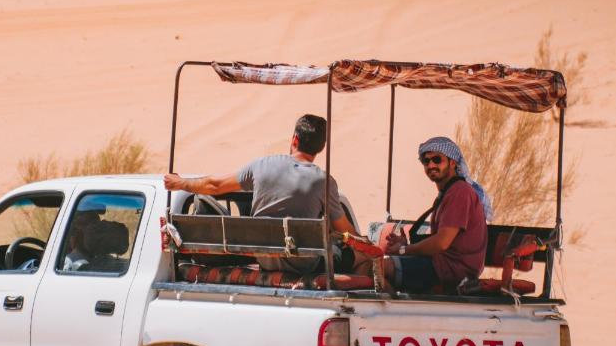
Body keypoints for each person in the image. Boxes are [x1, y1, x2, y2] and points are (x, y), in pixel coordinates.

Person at [164, 114, 358, 274]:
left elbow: (214, 185)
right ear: (320, 148)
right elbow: (345, 231)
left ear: (294, 140)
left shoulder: (261, 166)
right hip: (306, 267)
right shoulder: (324, 181)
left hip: (266, 262)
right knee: (344, 253)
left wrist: (180, 182)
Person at [382, 136, 489, 293]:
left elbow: (442, 243)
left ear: (452, 162)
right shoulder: (448, 193)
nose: (431, 165)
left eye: (437, 159)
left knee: (378, 268)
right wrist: (406, 245)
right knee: (375, 267)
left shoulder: (460, 192)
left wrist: (404, 250)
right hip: (441, 265)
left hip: (451, 270)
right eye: (426, 161)